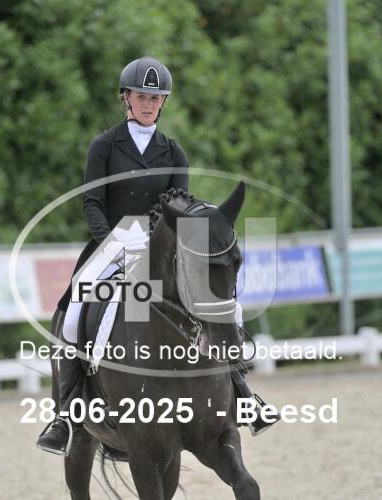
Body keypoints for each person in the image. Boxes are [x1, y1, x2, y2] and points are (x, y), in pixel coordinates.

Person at [37, 57, 278, 455]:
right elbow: (92, 203)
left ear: (163, 102)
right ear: (126, 98)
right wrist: (111, 241)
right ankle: (66, 413)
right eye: (142, 97)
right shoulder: (104, 146)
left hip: (161, 248)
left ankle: (242, 393)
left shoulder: (173, 150)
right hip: (113, 240)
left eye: (155, 98)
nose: (148, 104)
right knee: (76, 308)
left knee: (224, 305)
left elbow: (180, 204)